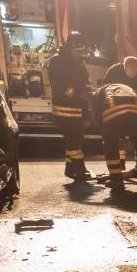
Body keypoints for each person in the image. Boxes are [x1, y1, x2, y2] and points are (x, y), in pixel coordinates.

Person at [43, 31, 92, 181]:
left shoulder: (78, 62)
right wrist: (79, 92)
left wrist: (86, 92)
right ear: (70, 47)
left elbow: (83, 82)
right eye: (77, 51)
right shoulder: (57, 61)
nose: (80, 54)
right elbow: (61, 88)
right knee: (74, 139)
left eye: (81, 51)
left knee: (77, 139)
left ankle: (70, 169)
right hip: (64, 108)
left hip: (78, 107)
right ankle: (80, 169)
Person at [91, 83, 137, 195]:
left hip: (114, 114)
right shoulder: (127, 88)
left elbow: (97, 115)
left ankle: (116, 180)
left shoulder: (98, 93)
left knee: (110, 145)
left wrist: (105, 131)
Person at [103, 56, 137, 169]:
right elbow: (104, 91)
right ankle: (119, 165)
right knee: (115, 137)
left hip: (136, 113)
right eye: (130, 70)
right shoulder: (114, 72)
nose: (133, 73)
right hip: (116, 112)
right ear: (124, 67)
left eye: (135, 70)